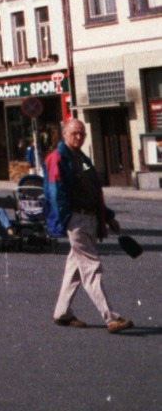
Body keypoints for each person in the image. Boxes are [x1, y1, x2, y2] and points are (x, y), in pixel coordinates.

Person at [45, 118, 133, 333]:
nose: (79, 137)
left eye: (82, 134)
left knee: (75, 269)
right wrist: (67, 220)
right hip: (76, 219)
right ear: (64, 134)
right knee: (92, 267)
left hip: (90, 218)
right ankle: (110, 317)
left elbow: (93, 188)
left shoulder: (82, 159)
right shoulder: (58, 158)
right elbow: (56, 193)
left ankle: (62, 313)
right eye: (75, 133)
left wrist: (108, 216)